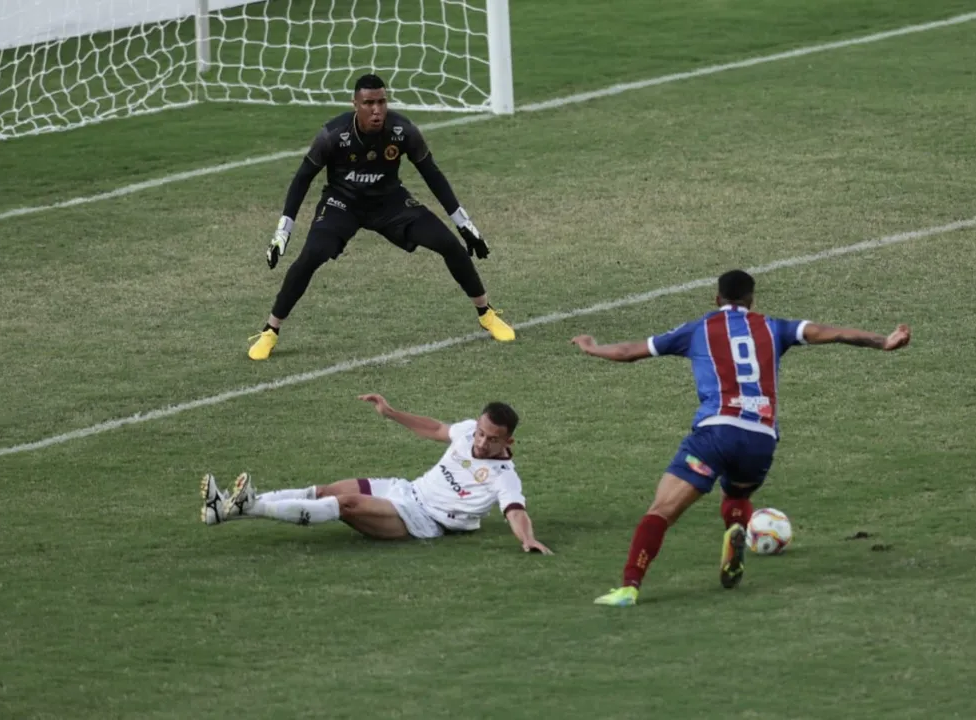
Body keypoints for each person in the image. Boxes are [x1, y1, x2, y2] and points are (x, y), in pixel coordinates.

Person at [570, 269, 911, 606]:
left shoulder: (699, 328)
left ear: (717, 299)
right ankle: (735, 528)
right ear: (752, 299)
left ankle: (630, 586)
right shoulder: (774, 327)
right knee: (736, 491)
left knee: (661, 511)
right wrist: (883, 341)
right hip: (761, 440)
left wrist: (593, 348)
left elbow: (630, 351)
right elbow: (828, 331)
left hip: (716, 432)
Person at [248, 73, 515, 360]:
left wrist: (464, 224)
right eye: (368, 103)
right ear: (355, 104)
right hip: (342, 203)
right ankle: (270, 331)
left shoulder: (402, 131)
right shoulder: (333, 135)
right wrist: (282, 232)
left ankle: (486, 313)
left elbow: (432, 175)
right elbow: (302, 179)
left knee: (448, 244)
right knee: (311, 256)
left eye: (381, 102)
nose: (376, 110)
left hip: (390, 203)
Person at [199, 394, 552, 553]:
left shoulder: (504, 475)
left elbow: (515, 511)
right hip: (405, 490)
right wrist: (391, 412)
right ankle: (223, 508)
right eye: (480, 433)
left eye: (492, 440)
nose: (481, 443)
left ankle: (249, 506)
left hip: (425, 520)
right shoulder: (466, 432)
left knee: (347, 503)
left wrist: (527, 539)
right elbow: (434, 429)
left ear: (508, 441)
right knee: (326, 489)